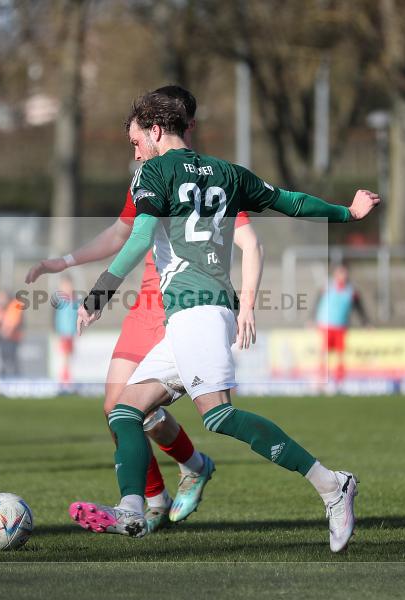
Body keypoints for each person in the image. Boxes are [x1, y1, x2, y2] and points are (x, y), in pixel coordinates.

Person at [71, 90, 379, 552]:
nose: (135, 151)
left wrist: (100, 290)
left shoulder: (153, 172)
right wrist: (347, 213)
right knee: (125, 410)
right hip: (188, 315)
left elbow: (136, 240)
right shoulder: (228, 172)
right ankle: (132, 510)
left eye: (137, 140)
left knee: (218, 415)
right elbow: (290, 202)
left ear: (155, 131)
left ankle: (332, 484)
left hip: (198, 310)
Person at [27, 85, 264, 532]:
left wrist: (248, 302)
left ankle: (158, 494)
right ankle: (161, 492)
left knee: (146, 409)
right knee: (116, 409)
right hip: (146, 305)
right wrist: (65, 261)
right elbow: (122, 233)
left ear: (165, 130)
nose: (136, 151)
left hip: (186, 302)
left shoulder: (209, 179)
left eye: (137, 140)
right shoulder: (148, 177)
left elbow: (249, 241)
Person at [314, 264, 368, 386]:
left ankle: (339, 379)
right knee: (324, 352)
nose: (342, 276)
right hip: (326, 325)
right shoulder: (327, 287)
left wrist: (365, 322)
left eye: (344, 273)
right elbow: (317, 302)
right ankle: (322, 377)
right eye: (340, 273)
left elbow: (359, 307)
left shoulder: (351, 290)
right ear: (335, 275)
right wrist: (311, 318)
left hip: (340, 326)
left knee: (340, 353)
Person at [53, 275, 79, 391]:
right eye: (63, 285)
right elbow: (54, 318)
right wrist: (56, 333)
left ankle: (66, 381)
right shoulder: (59, 301)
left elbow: (78, 317)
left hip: (71, 334)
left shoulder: (75, 301)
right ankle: (64, 382)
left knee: (68, 358)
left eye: (68, 285)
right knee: (64, 358)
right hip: (63, 334)